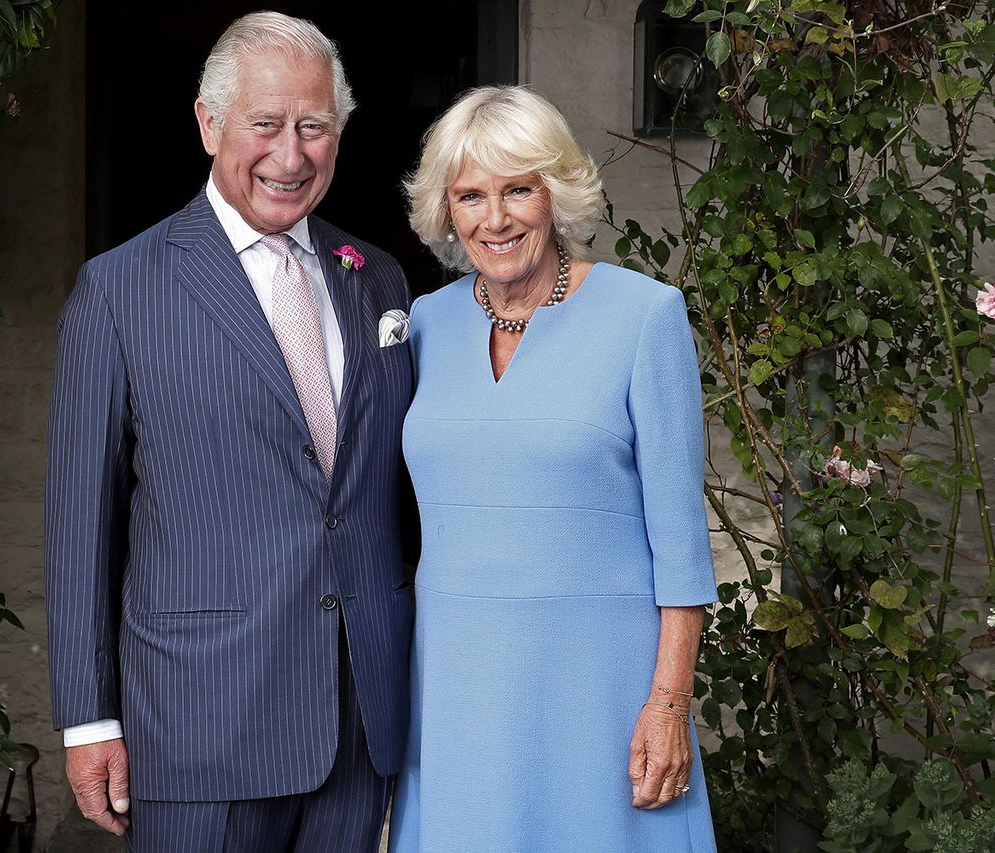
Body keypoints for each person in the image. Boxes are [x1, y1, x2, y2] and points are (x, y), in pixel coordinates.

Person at [44, 12, 416, 852]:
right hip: (201, 724)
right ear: (210, 123)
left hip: (361, 722)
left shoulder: (378, 278)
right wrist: (87, 719)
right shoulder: (119, 289)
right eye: (267, 124)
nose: (291, 155)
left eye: (314, 126)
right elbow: (78, 528)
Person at [387, 85, 719, 852]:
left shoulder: (645, 315)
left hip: (596, 686)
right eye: (470, 194)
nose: (494, 218)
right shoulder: (426, 324)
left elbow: (681, 545)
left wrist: (668, 702)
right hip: (454, 685)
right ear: (446, 209)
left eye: (517, 189)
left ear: (556, 192)